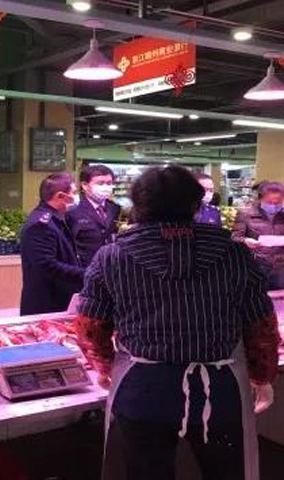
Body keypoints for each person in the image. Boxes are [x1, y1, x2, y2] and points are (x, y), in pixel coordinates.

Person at [75, 165, 280, 480]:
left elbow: (91, 326)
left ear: (138, 205)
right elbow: (261, 325)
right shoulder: (234, 254)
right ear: (196, 204)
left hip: (141, 390)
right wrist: (262, 377)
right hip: (221, 390)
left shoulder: (111, 256)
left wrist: (104, 368)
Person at [20, 172, 85, 315]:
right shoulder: (40, 225)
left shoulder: (59, 219)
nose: (77, 197)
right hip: (47, 303)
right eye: (74, 193)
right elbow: (48, 266)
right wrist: (85, 274)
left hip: (62, 298)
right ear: (60, 196)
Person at [232, 181, 284, 289]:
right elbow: (234, 237)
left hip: (280, 269)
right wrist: (245, 241)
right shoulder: (246, 214)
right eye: (270, 201)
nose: (274, 205)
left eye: (278, 202)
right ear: (261, 198)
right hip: (256, 266)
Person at [68, 165, 121, 267]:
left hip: (110, 266)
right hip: (82, 268)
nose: (105, 187)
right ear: (84, 185)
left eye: (109, 183)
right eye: (100, 183)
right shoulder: (72, 209)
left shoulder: (115, 208)